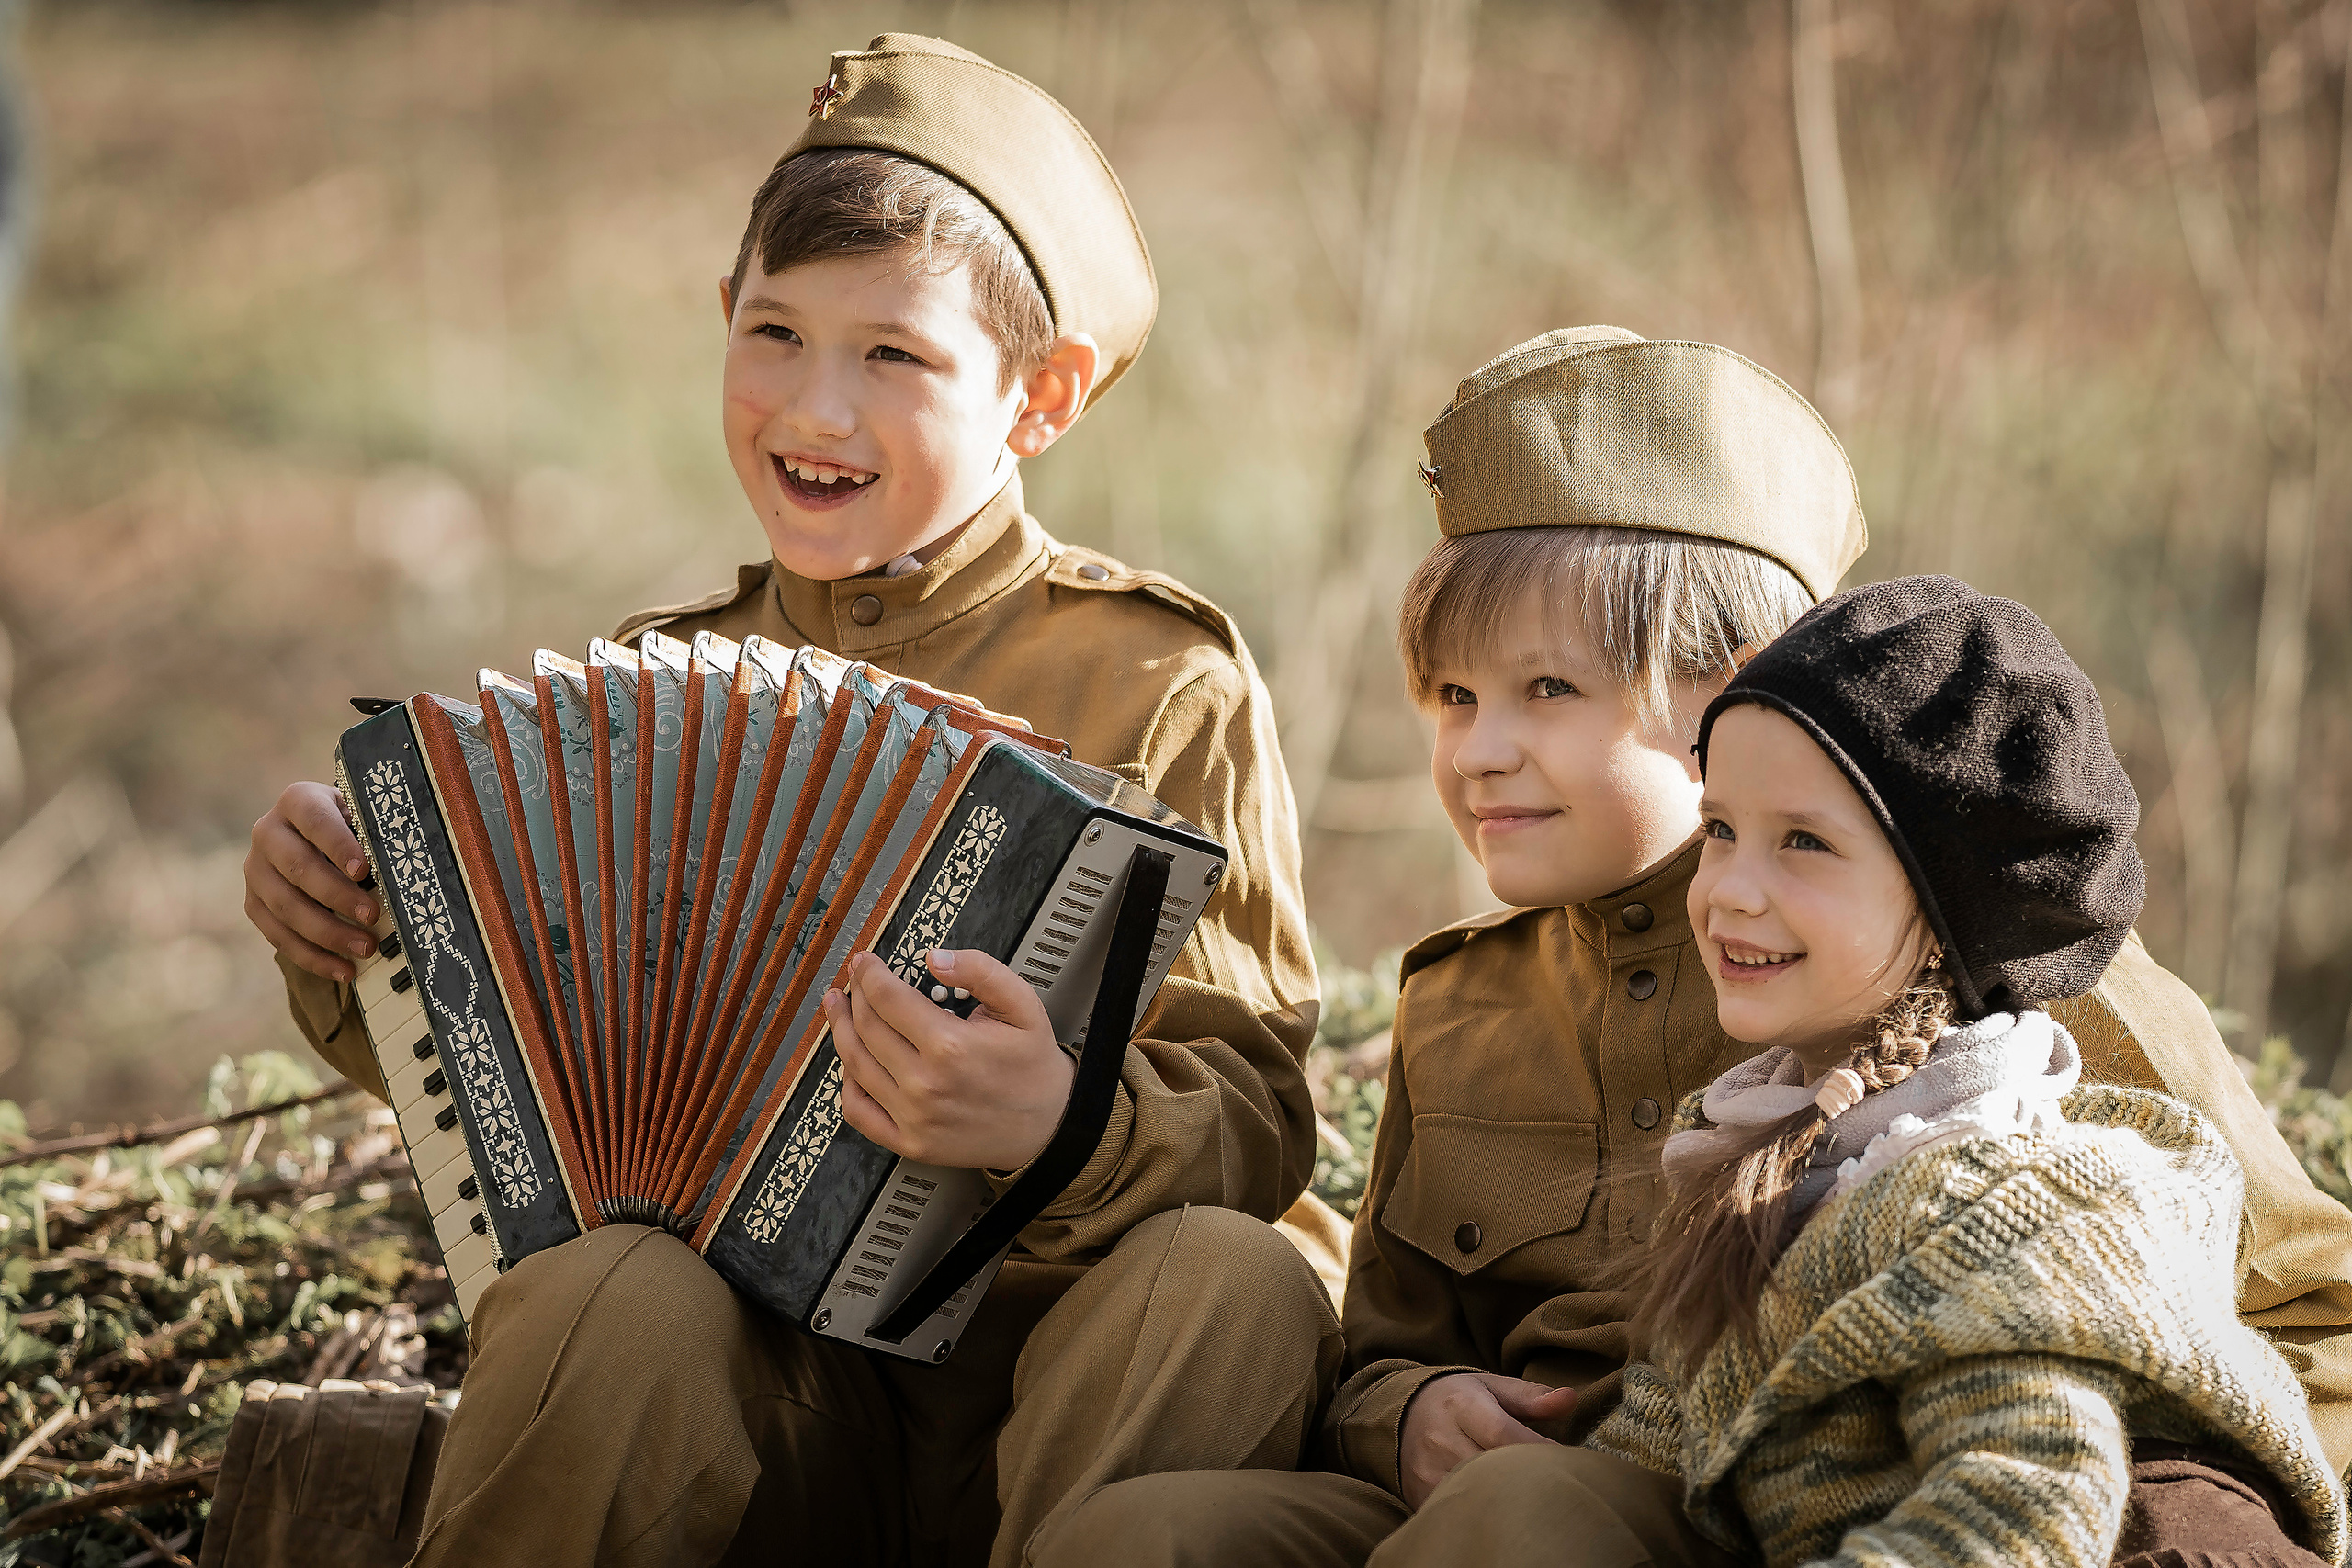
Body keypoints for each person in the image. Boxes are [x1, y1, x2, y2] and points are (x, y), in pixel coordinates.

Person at [226, 35, 1338, 1568]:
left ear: (1045, 396)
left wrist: (1052, 1118)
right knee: (602, 1291)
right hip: (767, 1407)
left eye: (895, 355)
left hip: (1060, 1395)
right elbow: (530, 1086)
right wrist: (347, 932)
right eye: (774, 332)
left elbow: (1260, 1107)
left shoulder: (1161, 681)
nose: (815, 408)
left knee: (1232, 1275)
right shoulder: (652, 685)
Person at [1028, 328, 2352, 1568]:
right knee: (1151, 1533)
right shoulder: (1464, 999)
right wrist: (1412, 1406)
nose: (1479, 746)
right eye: (1452, 695)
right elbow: (1382, 1346)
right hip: (1473, 1507)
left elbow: (2308, 1313)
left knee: (1523, 1511)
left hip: (1780, 1510)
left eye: (1548, 688)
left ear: (1747, 679)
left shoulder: (1978, 968)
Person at [1580, 574, 2345, 1568]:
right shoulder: (1758, 1135)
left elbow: (2018, 1509)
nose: (1729, 890)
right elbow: (1674, 1429)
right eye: (1720, 830)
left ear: (1947, 914)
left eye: (1803, 842)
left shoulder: (1990, 1193)